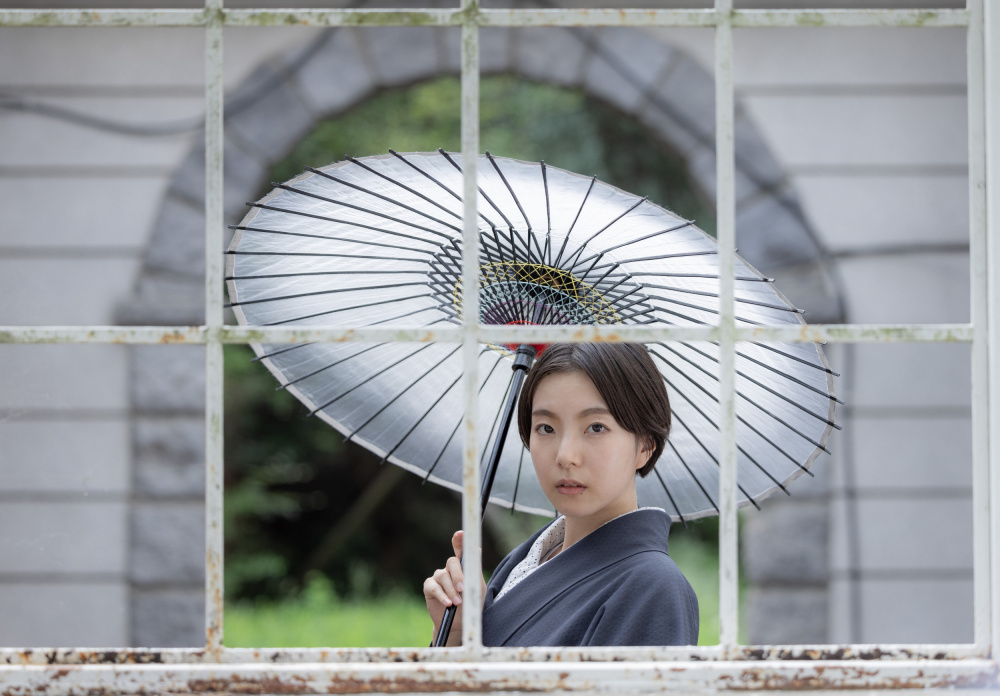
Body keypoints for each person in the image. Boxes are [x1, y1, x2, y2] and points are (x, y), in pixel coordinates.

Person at [423, 342, 700, 647]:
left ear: (645, 446)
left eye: (595, 427)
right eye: (546, 428)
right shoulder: (522, 564)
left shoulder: (654, 587)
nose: (565, 456)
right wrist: (458, 636)